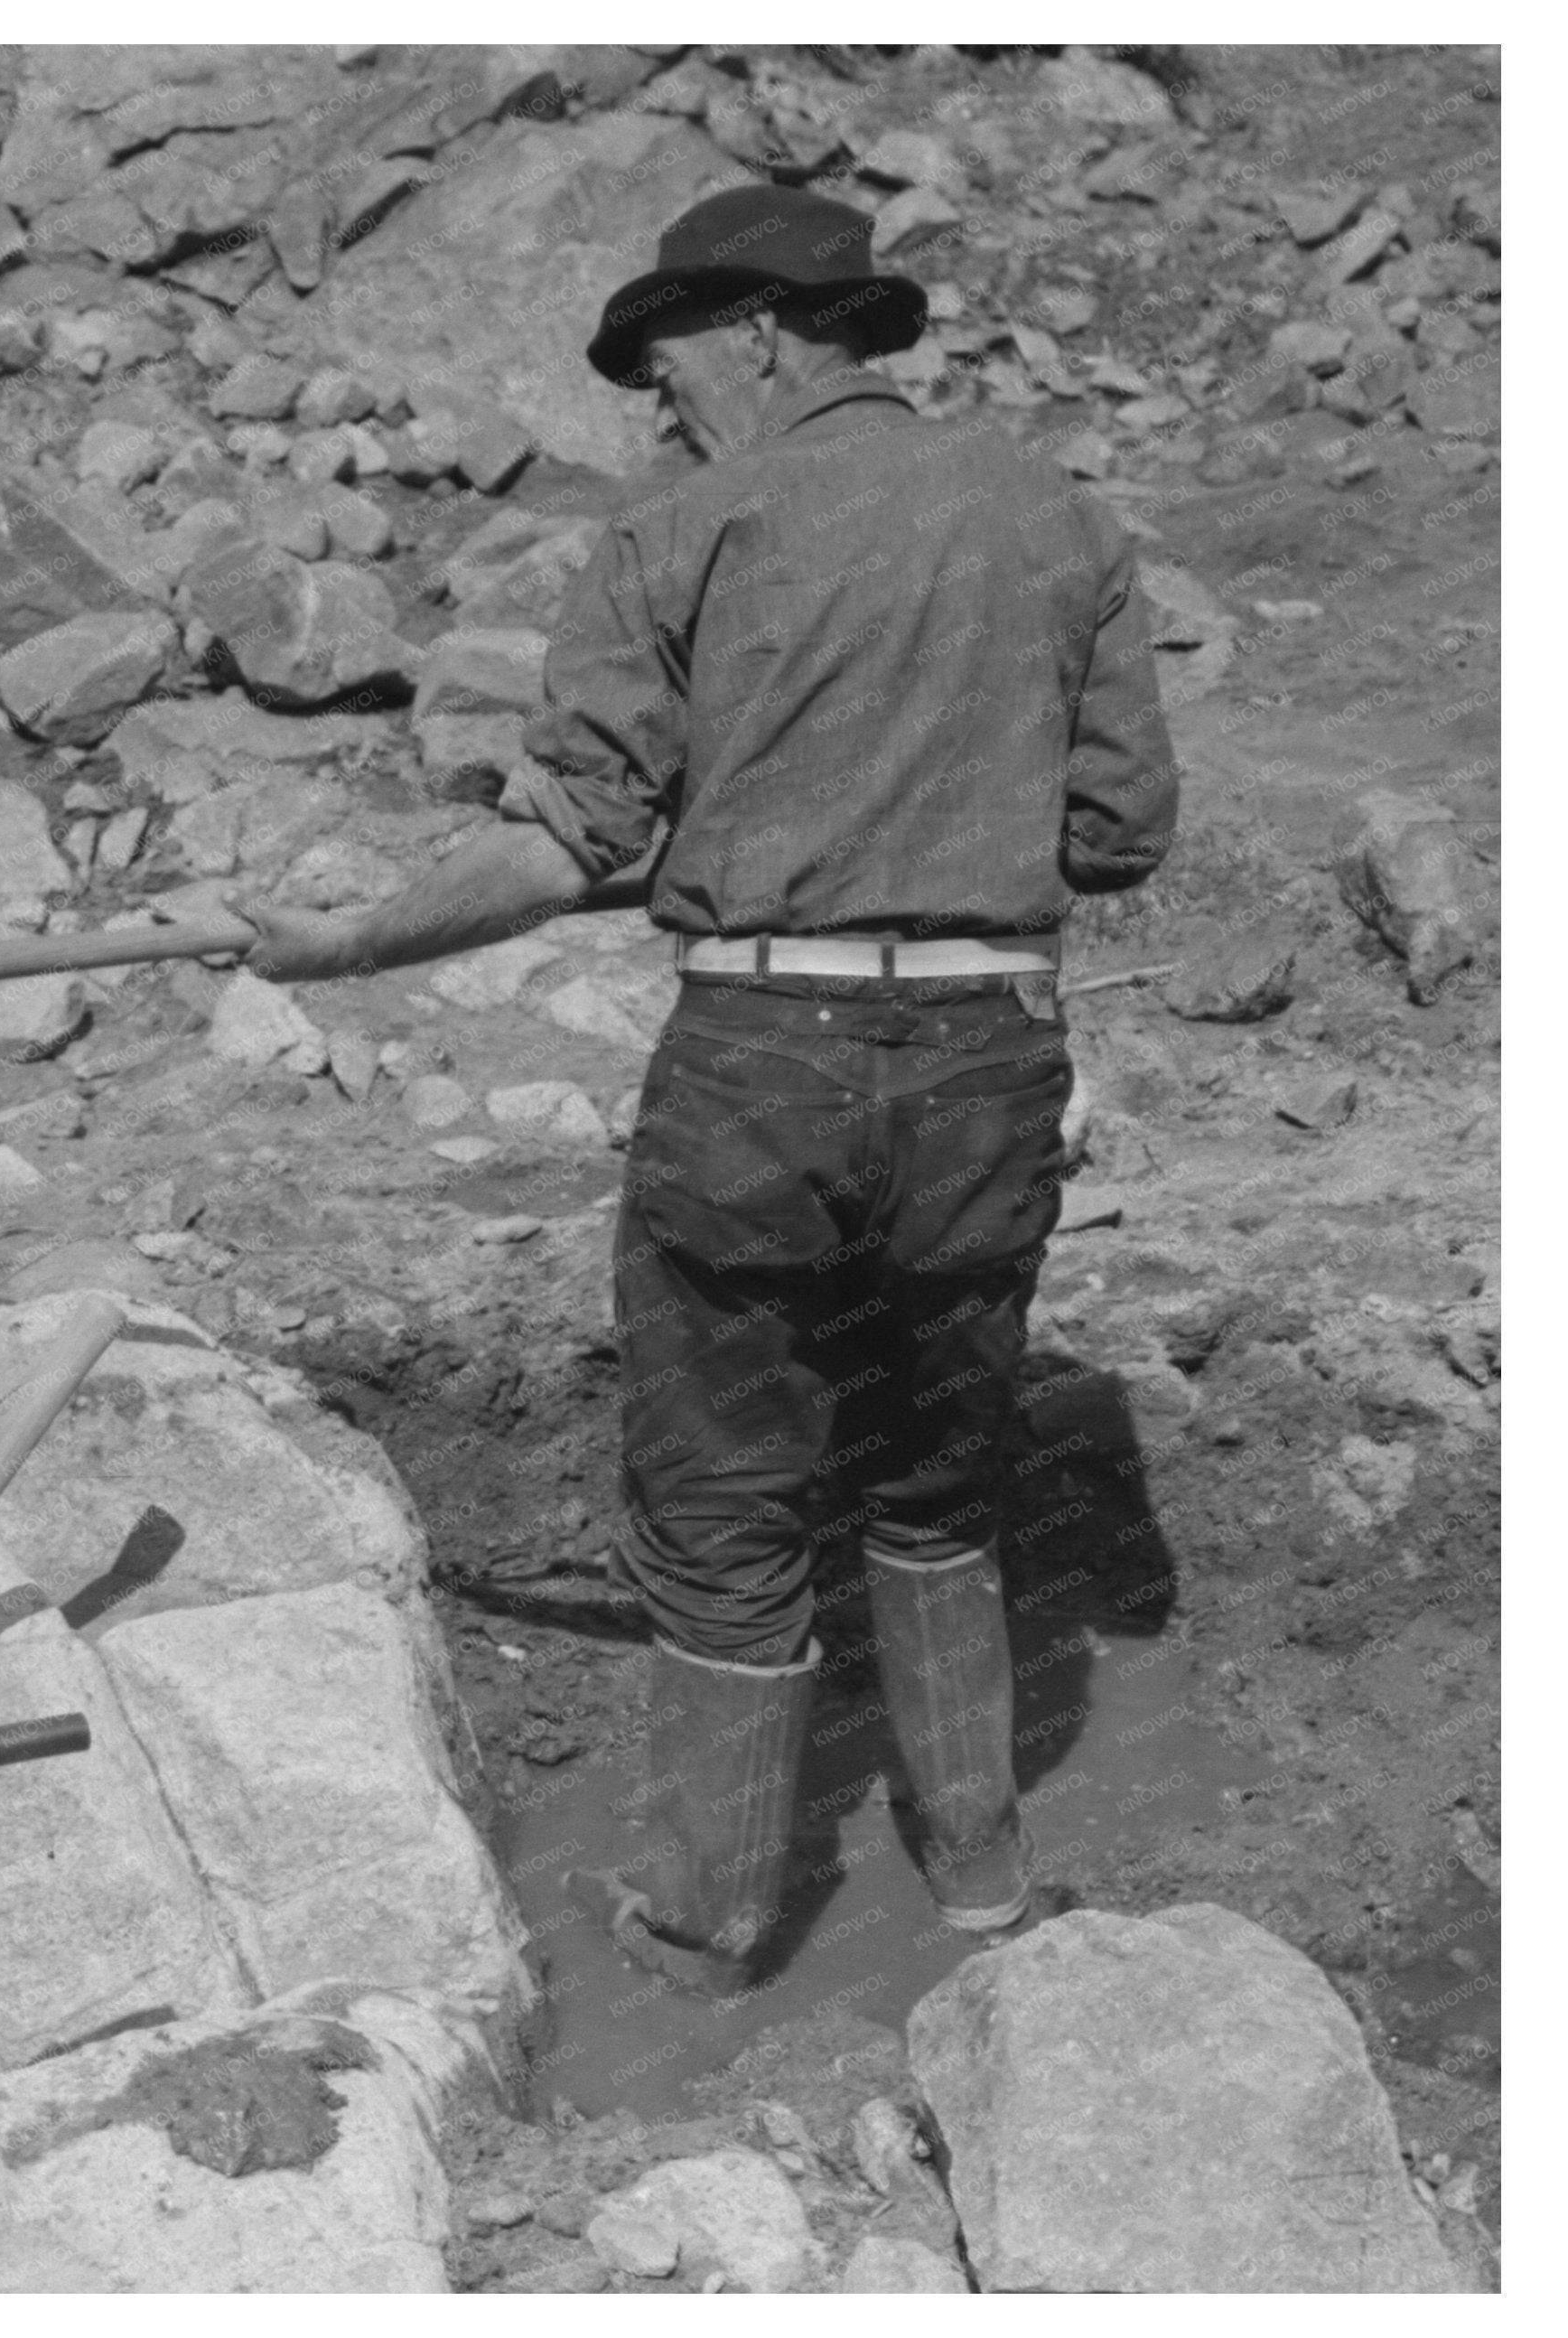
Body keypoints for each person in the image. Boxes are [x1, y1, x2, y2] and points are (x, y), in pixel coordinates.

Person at [229, 182, 1180, 1997]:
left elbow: (570, 833)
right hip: (991, 1059)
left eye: (665, 382)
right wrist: (927, 820)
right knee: (936, 1477)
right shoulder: (1060, 522)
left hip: (762, 1064)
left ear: (754, 333)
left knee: (727, 1501)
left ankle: (709, 1927)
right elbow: (1120, 832)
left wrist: (345, 941)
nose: (656, 422)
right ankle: (977, 1877)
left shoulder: (682, 535)